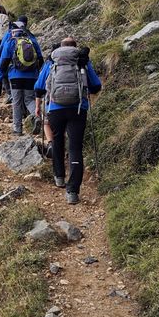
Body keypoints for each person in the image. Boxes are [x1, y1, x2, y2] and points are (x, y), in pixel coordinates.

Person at [35, 37, 102, 205]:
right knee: (75, 147)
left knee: (57, 141)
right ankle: (72, 191)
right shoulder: (82, 60)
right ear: (75, 47)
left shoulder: (52, 60)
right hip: (78, 109)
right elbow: (96, 86)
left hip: (55, 108)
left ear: (60, 47)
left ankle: (59, 177)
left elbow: (39, 87)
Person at [0, 18, 43, 136]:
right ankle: (37, 116)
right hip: (31, 76)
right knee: (29, 99)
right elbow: (40, 59)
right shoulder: (32, 40)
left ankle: (17, 129)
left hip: (15, 76)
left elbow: (4, 62)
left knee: (16, 102)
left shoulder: (10, 42)